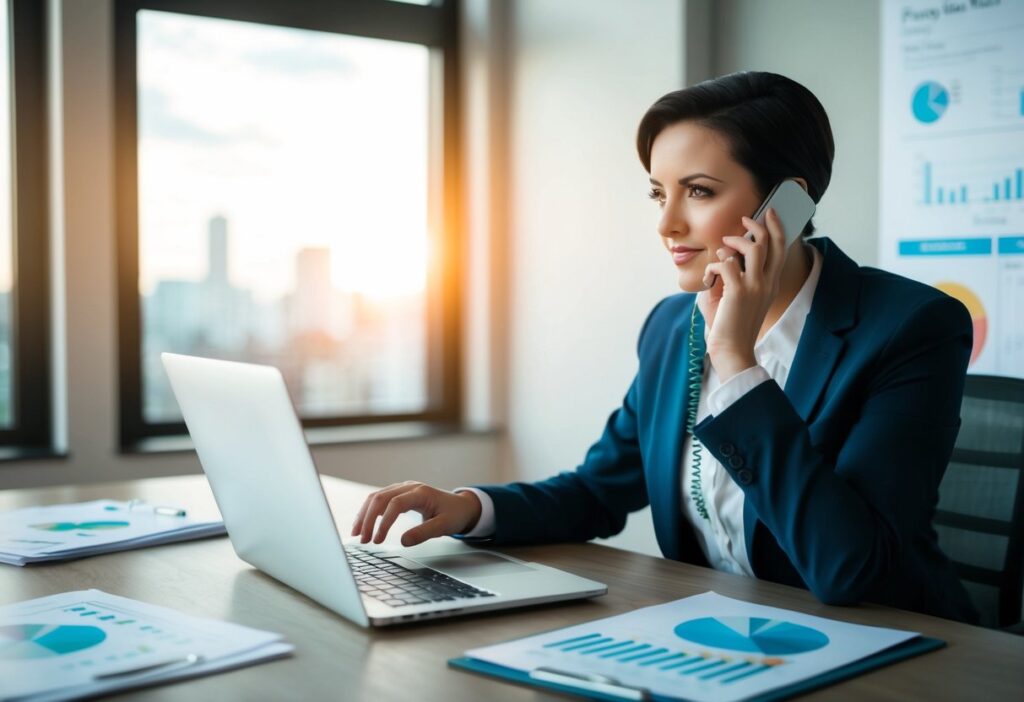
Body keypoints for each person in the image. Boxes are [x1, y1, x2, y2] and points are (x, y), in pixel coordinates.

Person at [351, 71, 979, 623]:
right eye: (659, 192)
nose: (666, 223)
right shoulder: (671, 326)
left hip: (898, 646)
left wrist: (736, 364)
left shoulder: (912, 327)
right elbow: (600, 489)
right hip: (726, 634)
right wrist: (468, 508)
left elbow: (850, 570)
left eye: (699, 191)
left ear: (786, 204)